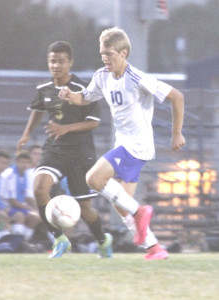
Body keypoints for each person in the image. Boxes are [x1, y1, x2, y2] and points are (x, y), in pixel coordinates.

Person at [59, 27, 186, 260]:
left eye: (110, 54)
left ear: (124, 53)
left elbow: (177, 96)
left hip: (136, 146)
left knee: (93, 179)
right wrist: (71, 96)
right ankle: (154, 248)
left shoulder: (137, 78)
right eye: (102, 54)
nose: (105, 59)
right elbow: (85, 98)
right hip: (125, 144)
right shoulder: (102, 76)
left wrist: (176, 133)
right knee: (120, 203)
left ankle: (141, 212)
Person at [16, 41, 112, 258]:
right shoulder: (44, 89)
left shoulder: (84, 89)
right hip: (55, 149)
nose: (56, 65)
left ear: (70, 63)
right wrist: (26, 134)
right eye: (52, 61)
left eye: (61, 61)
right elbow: (38, 110)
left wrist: (65, 128)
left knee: (85, 209)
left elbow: (93, 122)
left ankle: (103, 241)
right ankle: (59, 240)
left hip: (81, 153)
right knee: (40, 188)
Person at [0, 151, 41, 241]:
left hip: (20, 206)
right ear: (17, 162)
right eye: (22, 162)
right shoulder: (10, 175)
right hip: (5, 206)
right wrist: (30, 208)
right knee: (19, 216)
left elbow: (29, 196)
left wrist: (37, 209)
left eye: (27, 162)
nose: (24, 164)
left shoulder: (28, 175)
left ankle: (25, 241)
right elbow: (12, 201)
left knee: (36, 217)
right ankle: (16, 241)